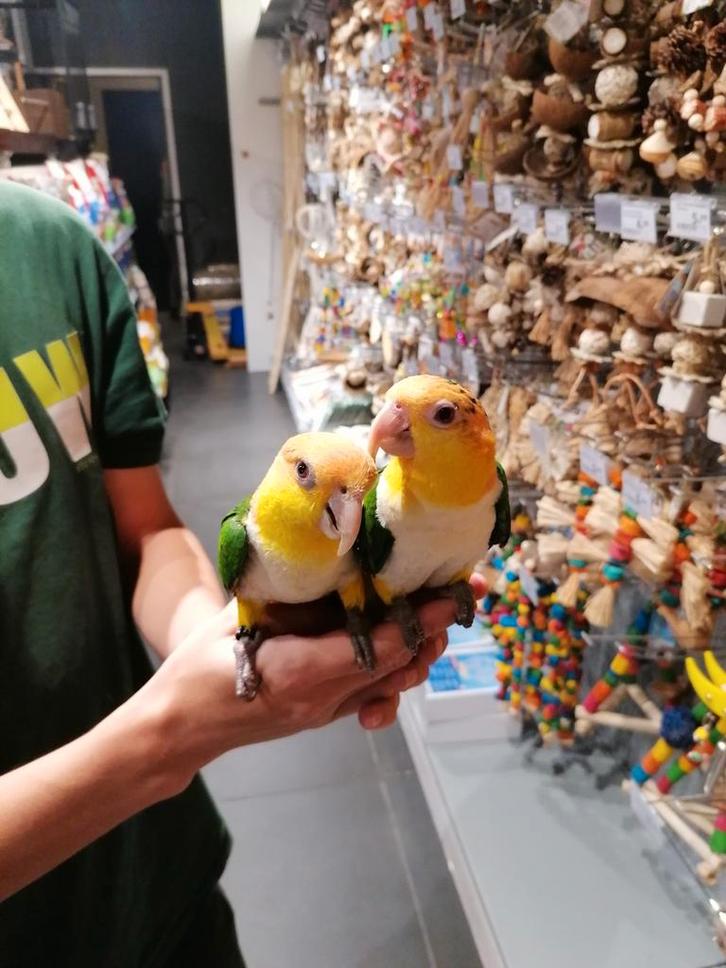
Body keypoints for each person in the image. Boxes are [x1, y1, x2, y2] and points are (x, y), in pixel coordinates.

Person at [0, 180, 469, 966]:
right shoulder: (242, 535)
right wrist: (169, 735)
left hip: (163, 884)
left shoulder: (47, 245)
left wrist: (219, 642)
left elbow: (146, 528)